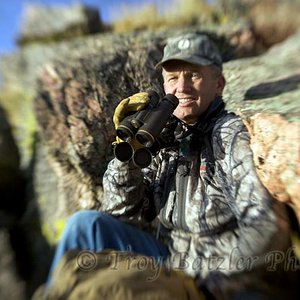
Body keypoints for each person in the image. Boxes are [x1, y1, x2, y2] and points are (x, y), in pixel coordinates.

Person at [47, 33, 298, 299]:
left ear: (219, 84)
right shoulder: (165, 135)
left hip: (221, 274)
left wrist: (209, 285)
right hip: (169, 259)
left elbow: (266, 226)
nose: (182, 87)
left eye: (194, 75)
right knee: (86, 225)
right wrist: (127, 153)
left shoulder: (229, 134)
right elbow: (121, 210)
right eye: (173, 78)